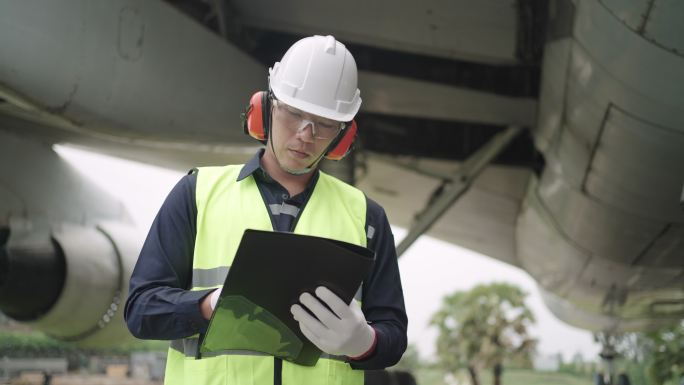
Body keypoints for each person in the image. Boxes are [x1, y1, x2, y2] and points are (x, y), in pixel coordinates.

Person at [124, 35, 407, 385]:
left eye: (324, 124)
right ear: (266, 107)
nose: (305, 135)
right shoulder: (196, 194)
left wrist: (364, 342)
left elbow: (393, 336)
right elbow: (140, 310)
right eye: (295, 113)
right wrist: (209, 305)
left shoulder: (367, 217)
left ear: (342, 136)